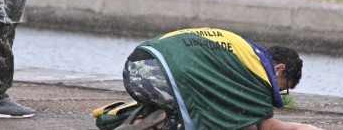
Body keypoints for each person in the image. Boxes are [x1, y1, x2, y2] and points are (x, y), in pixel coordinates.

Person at [120, 27, 325, 130]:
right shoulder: (259, 72)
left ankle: (148, 117)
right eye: (282, 89)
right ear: (278, 70)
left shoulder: (243, 52)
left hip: (133, 70)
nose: (276, 94)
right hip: (159, 74)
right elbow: (263, 125)